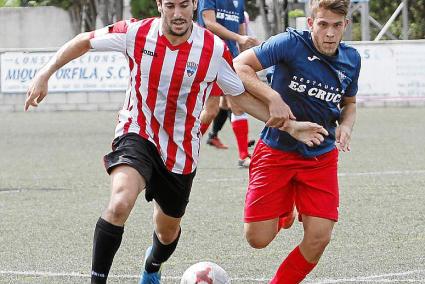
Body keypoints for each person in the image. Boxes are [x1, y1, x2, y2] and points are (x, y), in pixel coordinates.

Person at [24, 1, 328, 283]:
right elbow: (83, 40)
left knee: (167, 233)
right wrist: (45, 72)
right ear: (159, 5)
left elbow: (239, 97)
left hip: (181, 151)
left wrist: (291, 127)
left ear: (194, 4)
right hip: (137, 132)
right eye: (170, 5)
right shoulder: (135, 32)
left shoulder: (212, 49)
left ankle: (152, 266)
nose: (178, 12)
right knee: (119, 204)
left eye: (184, 4)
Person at [233, 0, 361, 282]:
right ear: (311, 22)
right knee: (257, 239)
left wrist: (347, 125)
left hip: (320, 157)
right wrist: (272, 96)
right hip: (276, 150)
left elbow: (349, 103)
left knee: (319, 238)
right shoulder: (289, 43)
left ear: (345, 26)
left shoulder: (352, 60)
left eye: (336, 26)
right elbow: (238, 66)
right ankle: (285, 210)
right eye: (323, 24)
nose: (329, 33)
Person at [197, 0, 260, 168]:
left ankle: (243, 156)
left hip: (231, 59)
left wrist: (247, 56)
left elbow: (241, 33)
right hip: (209, 57)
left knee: (237, 105)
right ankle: (188, 146)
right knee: (210, 111)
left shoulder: (239, 2)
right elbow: (209, 24)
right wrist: (239, 37)